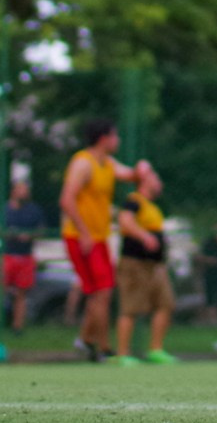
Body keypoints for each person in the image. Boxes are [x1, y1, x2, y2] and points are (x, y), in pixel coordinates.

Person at [58, 118, 154, 363]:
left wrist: (141, 169)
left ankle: (85, 341)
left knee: (100, 293)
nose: (118, 140)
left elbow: (130, 174)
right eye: (115, 136)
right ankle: (104, 348)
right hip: (80, 237)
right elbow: (66, 200)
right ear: (104, 139)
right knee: (102, 292)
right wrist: (84, 233)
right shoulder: (83, 163)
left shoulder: (107, 163)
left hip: (98, 238)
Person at [114, 173, 177, 365]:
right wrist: (144, 236)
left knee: (165, 304)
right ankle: (123, 354)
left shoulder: (153, 207)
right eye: (155, 179)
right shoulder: (134, 201)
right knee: (130, 307)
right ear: (144, 182)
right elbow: (125, 221)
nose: (159, 183)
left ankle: (156, 350)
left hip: (155, 266)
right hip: (135, 263)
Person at [0, 177, 43, 334]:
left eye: (25, 189)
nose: (24, 192)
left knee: (21, 293)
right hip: (6, 256)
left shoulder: (33, 210)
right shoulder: (5, 210)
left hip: (25, 256)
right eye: (20, 189)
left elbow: (41, 230)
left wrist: (29, 236)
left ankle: (17, 328)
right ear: (13, 191)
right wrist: (9, 234)